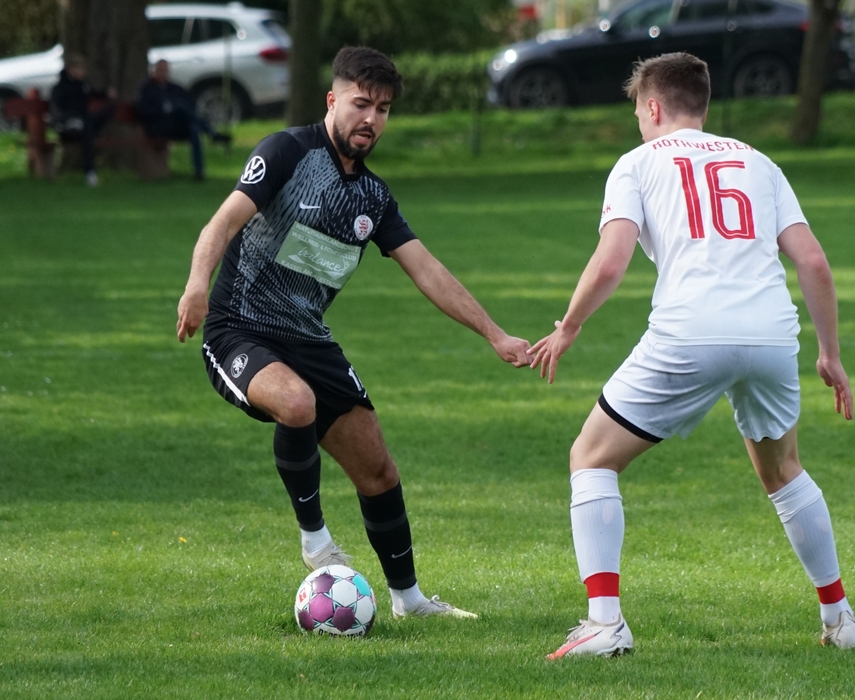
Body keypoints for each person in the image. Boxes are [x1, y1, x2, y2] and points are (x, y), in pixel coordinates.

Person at [530, 52, 855, 658]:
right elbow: (813, 261)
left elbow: (611, 260)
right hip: (771, 334)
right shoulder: (760, 162)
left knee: (591, 457)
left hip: (690, 332)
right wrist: (830, 354)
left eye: (638, 112)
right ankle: (840, 618)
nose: (639, 123)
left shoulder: (636, 164)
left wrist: (569, 326)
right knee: (783, 471)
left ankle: (604, 623)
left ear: (654, 106)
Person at [176, 47, 531, 619]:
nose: (371, 119)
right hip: (238, 329)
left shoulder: (374, 196)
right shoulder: (286, 152)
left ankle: (410, 601)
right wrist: (197, 285)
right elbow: (222, 222)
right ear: (332, 100)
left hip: (308, 338)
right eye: (361, 104)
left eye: (383, 109)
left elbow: (428, 270)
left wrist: (495, 334)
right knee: (297, 403)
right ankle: (315, 540)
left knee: (377, 467)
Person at [134, 60, 231, 180]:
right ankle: (212, 133)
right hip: (158, 127)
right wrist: (163, 110)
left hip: (176, 127)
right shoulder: (147, 90)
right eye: (160, 70)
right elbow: (142, 111)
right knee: (182, 111)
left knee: (193, 128)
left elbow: (190, 105)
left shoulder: (174, 88)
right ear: (154, 71)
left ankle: (199, 172)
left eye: (165, 70)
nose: (163, 73)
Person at [50, 54, 116, 186]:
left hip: (84, 123)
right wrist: (69, 120)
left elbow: (93, 93)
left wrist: (106, 93)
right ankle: (90, 173)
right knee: (87, 133)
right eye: (79, 69)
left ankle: (90, 172)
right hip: (68, 127)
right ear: (70, 69)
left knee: (103, 115)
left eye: (82, 69)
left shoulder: (83, 85)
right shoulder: (60, 88)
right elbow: (57, 111)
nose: (82, 72)